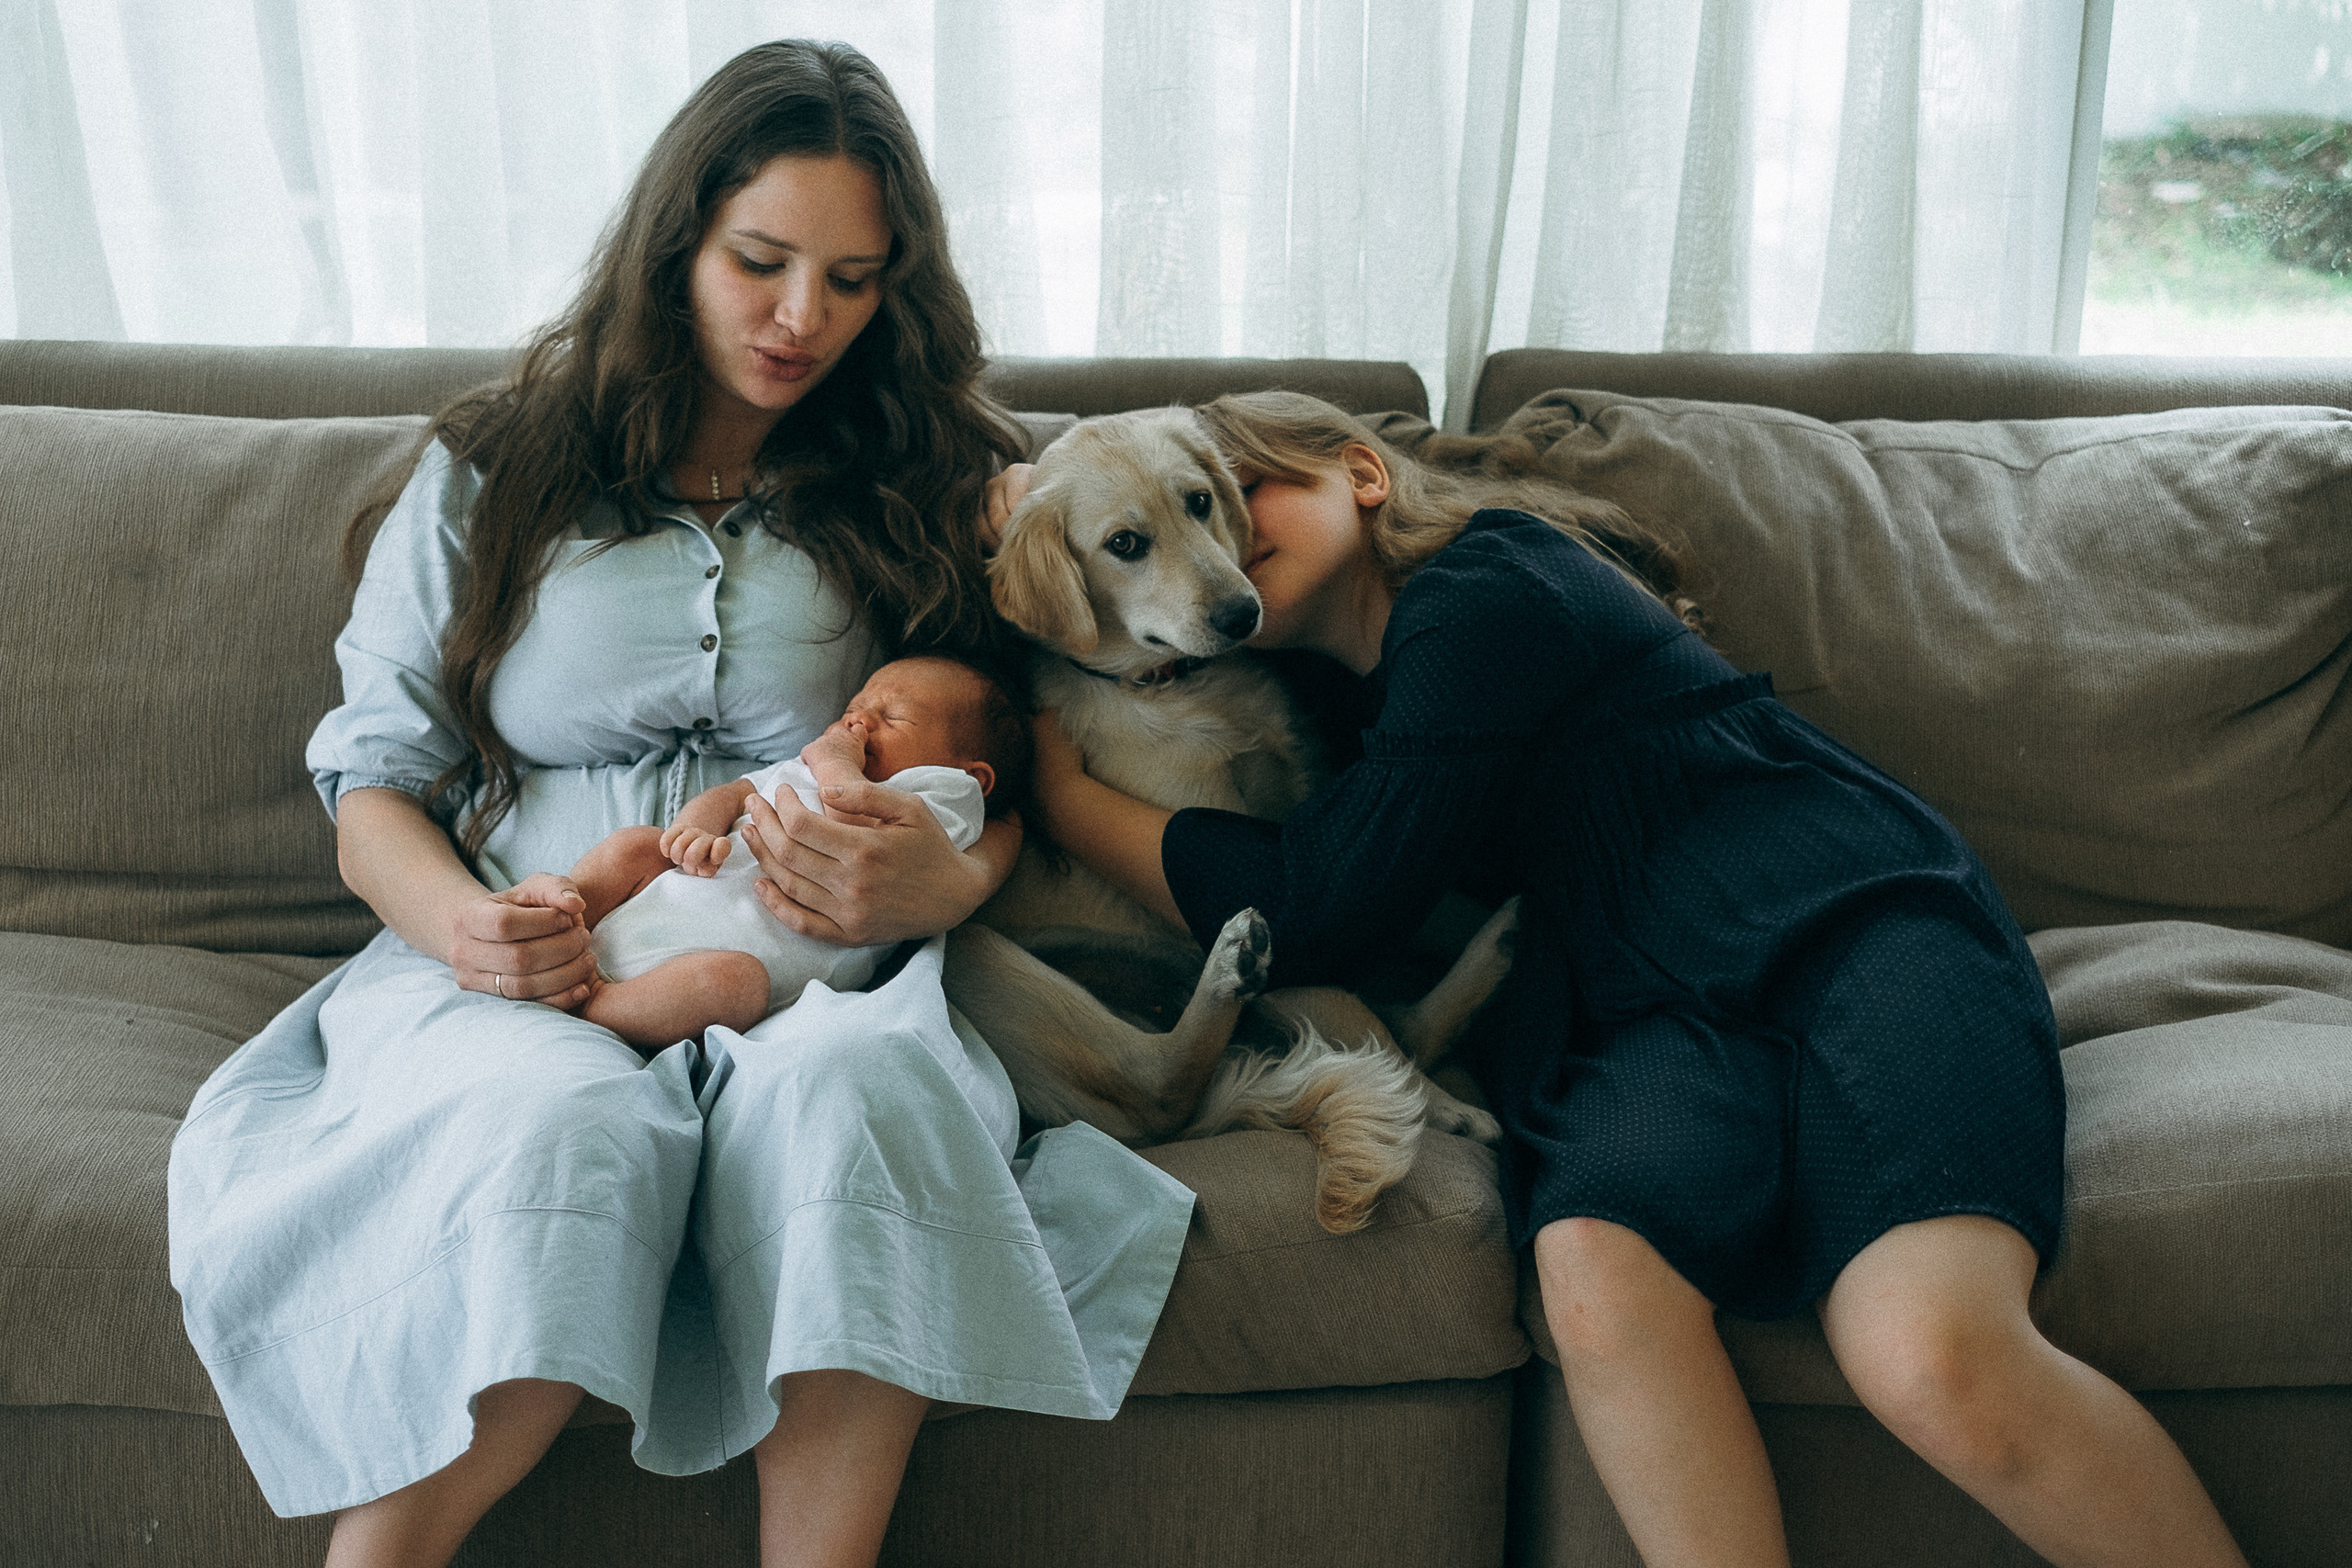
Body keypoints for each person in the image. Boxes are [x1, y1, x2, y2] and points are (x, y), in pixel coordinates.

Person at [165, 41, 1192, 1568]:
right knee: (555, 1124)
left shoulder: (939, 474)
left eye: (852, 279)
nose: (802, 318)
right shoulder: (497, 467)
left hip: (825, 976)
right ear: (674, 247)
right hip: (535, 955)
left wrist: (953, 885)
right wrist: (471, 933)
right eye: (760, 262)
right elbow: (372, 782)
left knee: (859, 1097)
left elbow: (1020, 760)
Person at [1013, 389, 2249, 1568]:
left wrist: (1066, 802)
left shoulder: (1488, 583)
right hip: (1637, 1000)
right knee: (1599, 1267)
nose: (1218, 536)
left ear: (1365, 474)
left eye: (1224, 491)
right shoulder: (1320, 699)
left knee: (1926, 1352)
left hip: (1838, 918)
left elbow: (1319, 905)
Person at [573, 655, 1026, 1047]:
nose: (858, 722)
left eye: (894, 718)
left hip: (701, 974)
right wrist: (694, 830)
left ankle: (593, 1003)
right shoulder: (804, 765)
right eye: (853, 709)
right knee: (637, 844)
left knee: (735, 986)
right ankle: (563, 917)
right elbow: (733, 794)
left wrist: (835, 762)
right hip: (661, 901)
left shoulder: (945, 795)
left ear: (972, 775)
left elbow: (857, 842)